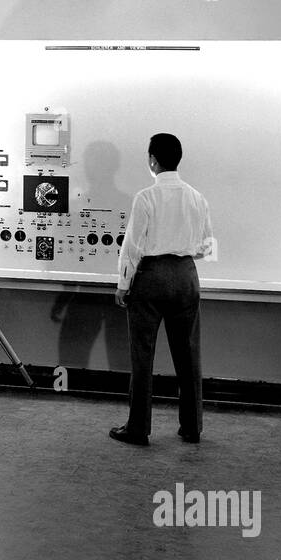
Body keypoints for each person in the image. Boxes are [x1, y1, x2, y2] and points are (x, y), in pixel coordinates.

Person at [111, 133, 214, 447]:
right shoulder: (197, 197)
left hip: (152, 277)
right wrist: (181, 255)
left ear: (152, 160)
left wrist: (123, 284)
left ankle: (138, 429)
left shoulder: (146, 197)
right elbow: (207, 248)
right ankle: (192, 427)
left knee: (142, 355)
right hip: (186, 277)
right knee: (189, 354)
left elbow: (132, 247)